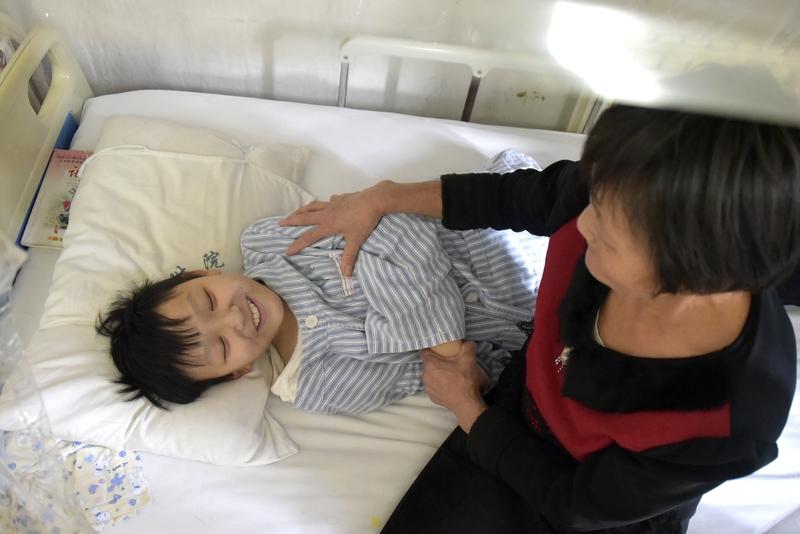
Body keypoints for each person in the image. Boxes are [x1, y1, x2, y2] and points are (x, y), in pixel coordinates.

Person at [278, 104, 800, 533]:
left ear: (687, 273)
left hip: (596, 499)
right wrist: (384, 197)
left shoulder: (726, 419)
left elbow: (577, 504)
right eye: (594, 198)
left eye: (607, 233)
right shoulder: (621, 193)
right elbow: (524, 196)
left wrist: (468, 408)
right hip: (521, 406)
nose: (582, 221)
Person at [96, 153, 547, 413]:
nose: (234, 318)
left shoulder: (270, 242)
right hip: (516, 340)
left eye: (210, 301)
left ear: (201, 273)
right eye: (224, 346)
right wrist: (450, 355)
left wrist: (437, 344)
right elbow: (433, 377)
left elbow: (394, 226)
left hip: (490, 241)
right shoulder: (315, 386)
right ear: (237, 372)